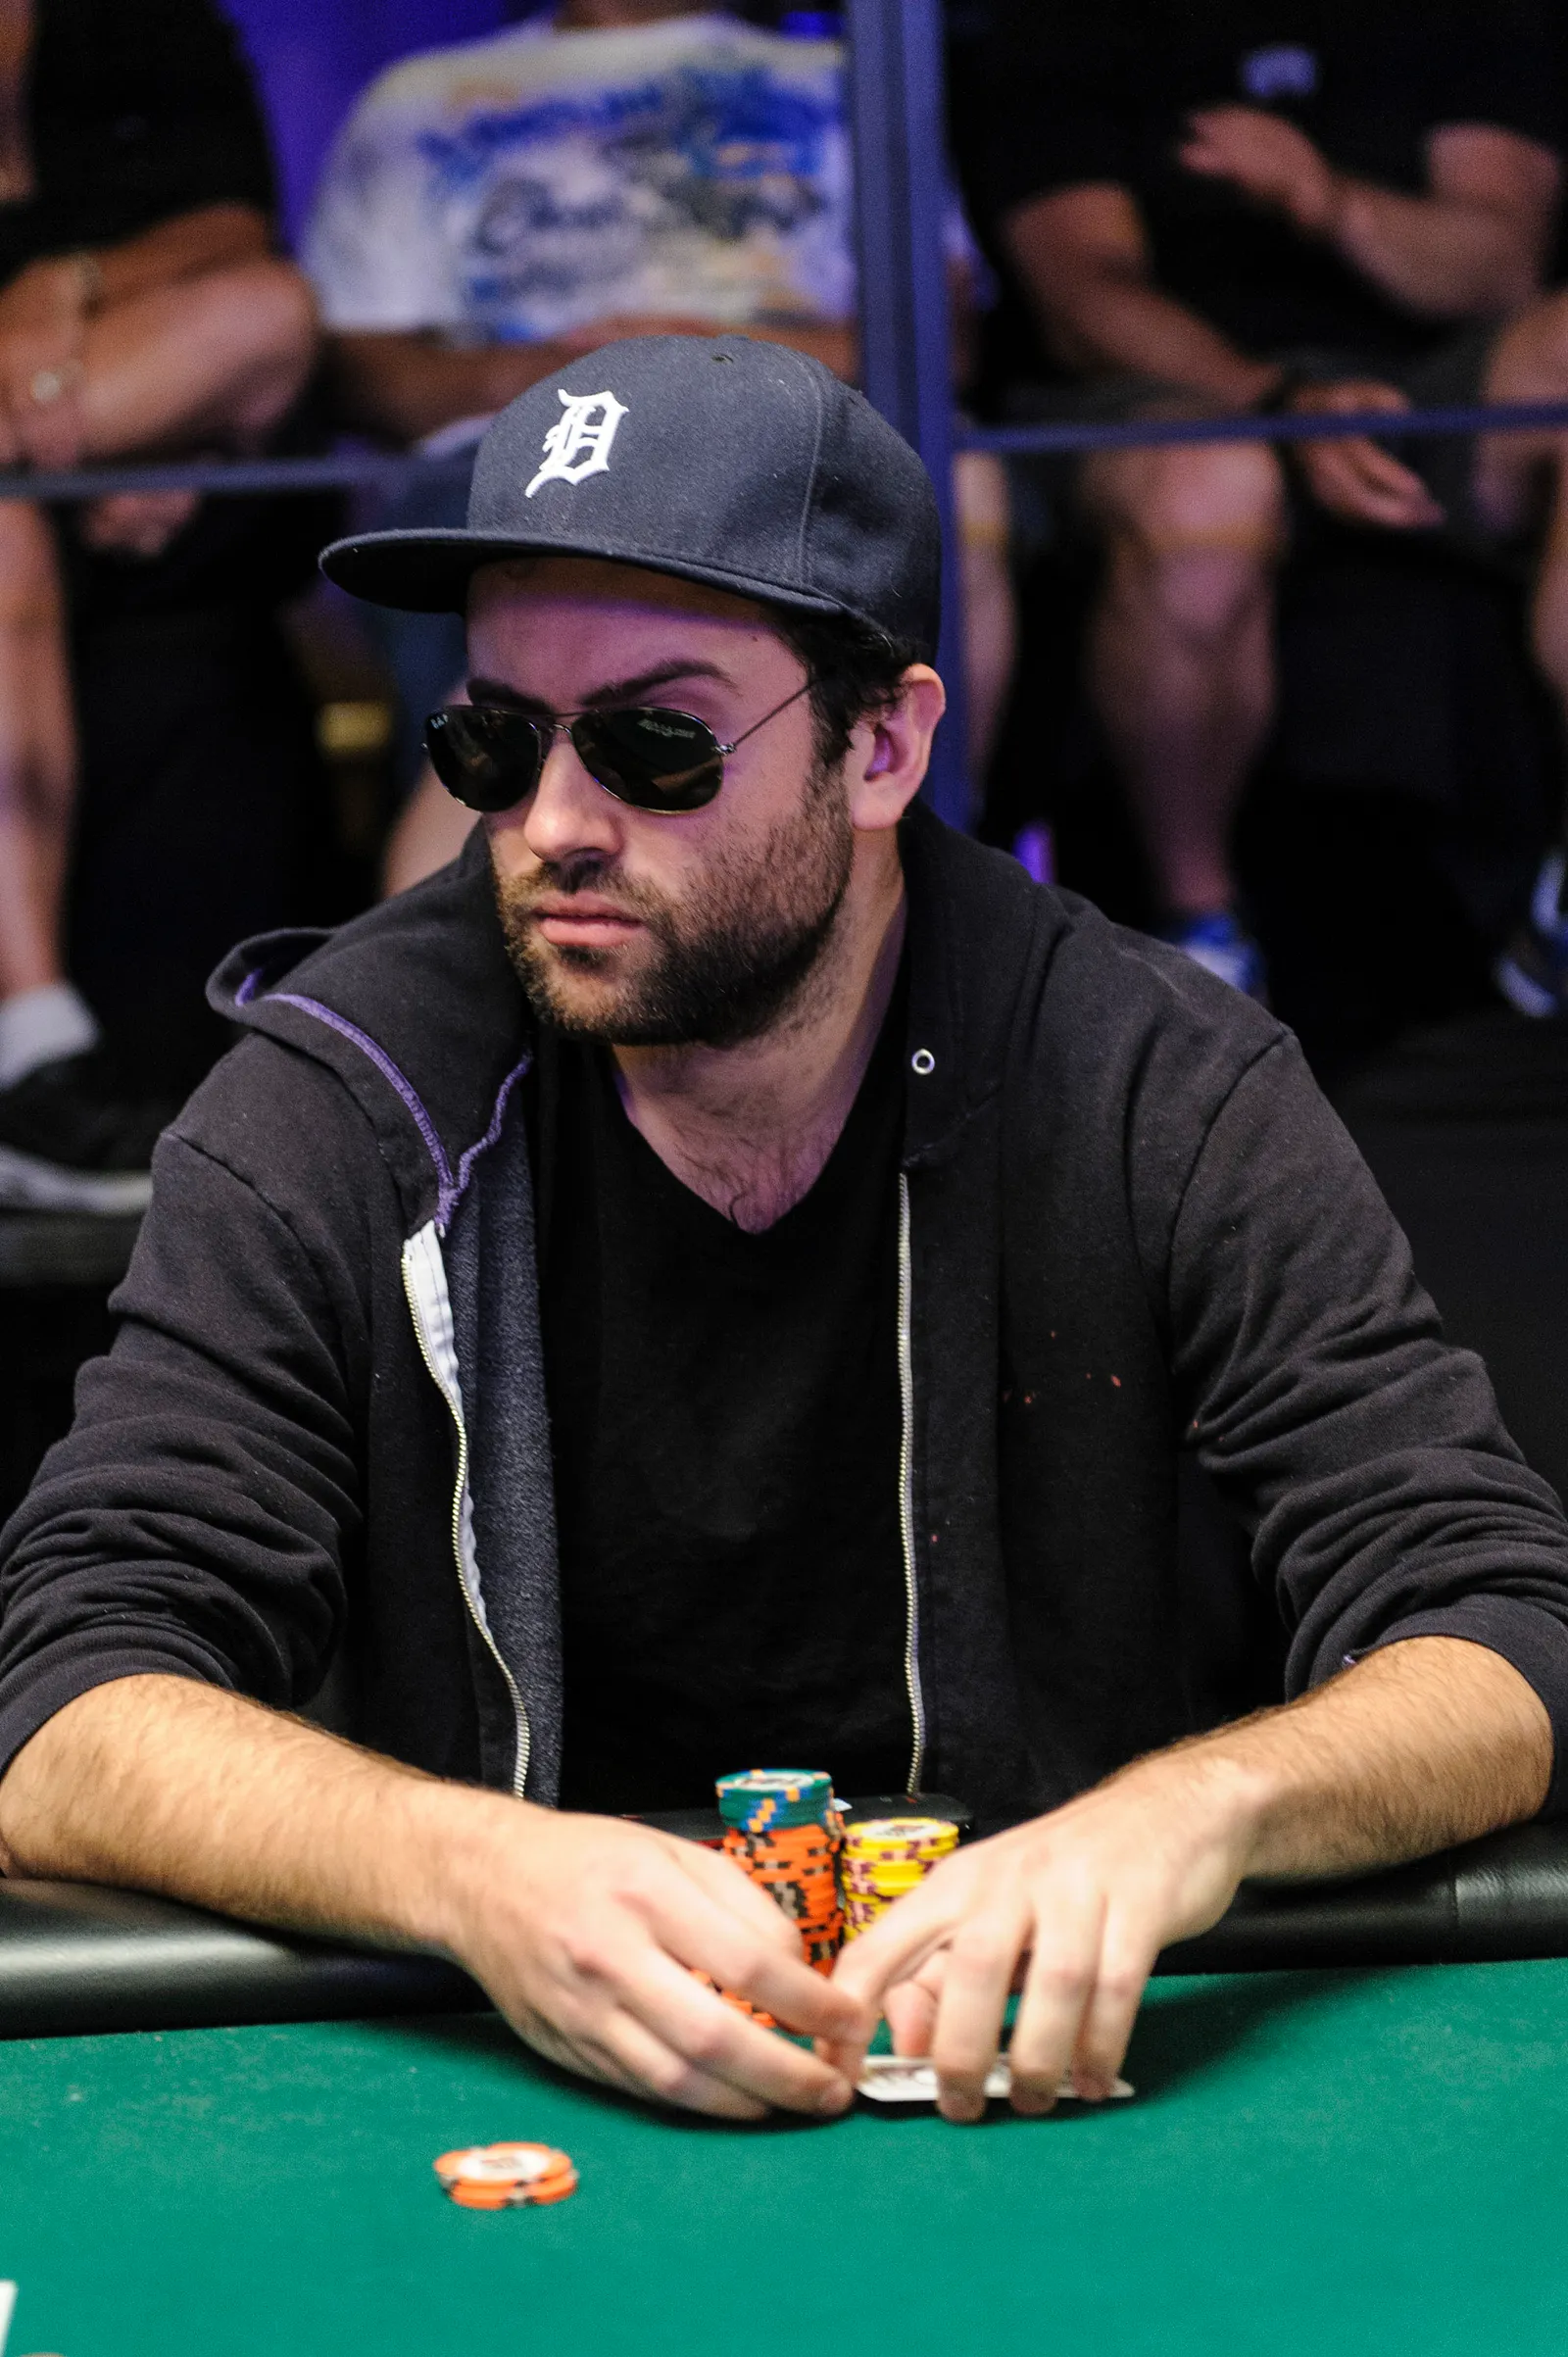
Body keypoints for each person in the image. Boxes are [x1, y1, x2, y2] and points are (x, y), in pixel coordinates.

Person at [2, 337, 1566, 2127]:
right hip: (509, 2094)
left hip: (1036, 2095)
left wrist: (1193, 1812)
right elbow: (64, 1703)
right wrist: (468, 1872)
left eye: (654, 743)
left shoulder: (1150, 1077)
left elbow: (1500, 1629)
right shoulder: (343, 1094)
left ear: (882, 744)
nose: (552, 825)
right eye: (493, 738)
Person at [303, 0, 1013, 867]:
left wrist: (697, 367)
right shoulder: (417, 98)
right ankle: (479, 901)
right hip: (536, 455)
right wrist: (589, 378)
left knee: (957, 484)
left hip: (795, 443)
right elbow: (357, 376)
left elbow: (942, 338)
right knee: (547, 611)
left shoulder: (847, 77)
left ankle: (911, 866)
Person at [974, 0, 1568, 1001]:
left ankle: (1559, 910)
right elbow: (1083, 298)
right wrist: (1279, 402)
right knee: (1210, 482)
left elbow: (1499, 267)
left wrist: (1325, 200)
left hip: (1427, 392)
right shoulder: (1068, 27)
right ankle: (1202, 933)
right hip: (1168, 397)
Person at [0, 0, 320, 1211]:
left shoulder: (139, 23)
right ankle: (32, 1058)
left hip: (77, 422)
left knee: (262, 313)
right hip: (45, 466)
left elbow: (238, 245)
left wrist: (69, 290)